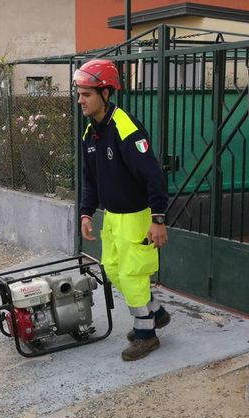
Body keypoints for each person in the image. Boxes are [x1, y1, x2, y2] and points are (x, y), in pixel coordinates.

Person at [75, 59, 172, 361]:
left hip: (136, 218)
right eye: (79, 94)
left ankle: (146, 334)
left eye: (86, 94)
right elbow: (90, 180)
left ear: (105, 93)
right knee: (113, 270)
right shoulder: (90, 133)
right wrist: (86, 212)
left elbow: (154, 175)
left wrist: (158, 219)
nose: (80, 101)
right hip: (112, 218)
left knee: (132, 275)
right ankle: (155, 312)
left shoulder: (125, 128)